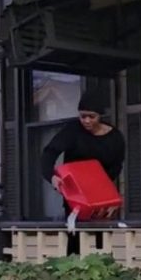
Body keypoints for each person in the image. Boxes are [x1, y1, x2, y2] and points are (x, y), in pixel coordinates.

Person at [41, 90, 126, 255]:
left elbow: (116, 166)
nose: (86, 121)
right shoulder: (73, 130)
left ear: (100, 115)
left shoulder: (115, 137)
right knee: (75, 238)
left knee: (102, 241)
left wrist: (109, 196)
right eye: (82, 116)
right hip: (74, 193)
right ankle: (73, 265)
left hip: (100, 193)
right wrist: (52, 177)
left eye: (91, 116)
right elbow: (49, 153)